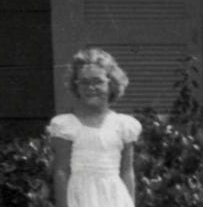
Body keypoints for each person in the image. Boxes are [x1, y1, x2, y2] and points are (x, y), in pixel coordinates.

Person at [48, 48, 141, 207]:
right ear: (75, 86)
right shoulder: (66, 126)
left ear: (111, 83)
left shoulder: (122, 125)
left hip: (115, 197)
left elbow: (127, 171)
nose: (91, 88)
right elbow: (61, 171)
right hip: (80, 197)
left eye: (97, 81)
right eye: (84, 82)